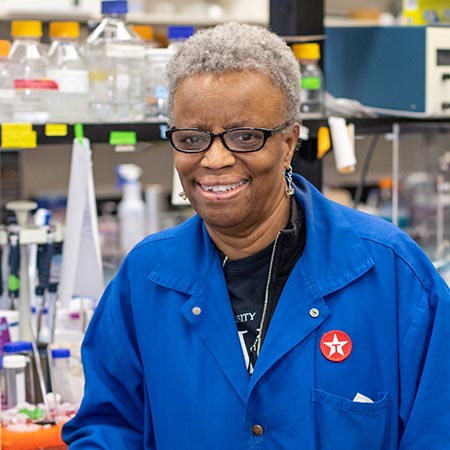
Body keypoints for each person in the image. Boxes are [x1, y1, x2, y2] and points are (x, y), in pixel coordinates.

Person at [62, 22, 450, 449]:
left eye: (244, 136)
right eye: (192, 138)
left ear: (288, 143)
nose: (214, 159)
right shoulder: (145, 280)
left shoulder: (393, 275)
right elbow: (107, 428)